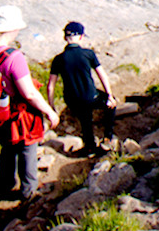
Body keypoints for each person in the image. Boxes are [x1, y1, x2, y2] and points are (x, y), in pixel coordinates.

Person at [0, 5, 58, 201]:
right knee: (28, 147)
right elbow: (29, 93)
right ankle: (29, 192)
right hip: (16, 112)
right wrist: (50, 113)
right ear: (11, 29)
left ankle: (5, 185)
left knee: (7, 146)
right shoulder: (13, 57)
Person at [47, 21, 118, 153]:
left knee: (84, 117)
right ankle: (107, 138)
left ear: (65, 38)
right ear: (81, 36)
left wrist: (51, 107)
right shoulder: (88, 54)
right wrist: (109, 95)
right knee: (111, 105)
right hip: (90, 96)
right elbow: (102, 75)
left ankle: (89, 145)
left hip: (72, 100)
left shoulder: (58, 59)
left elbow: (51, 86)